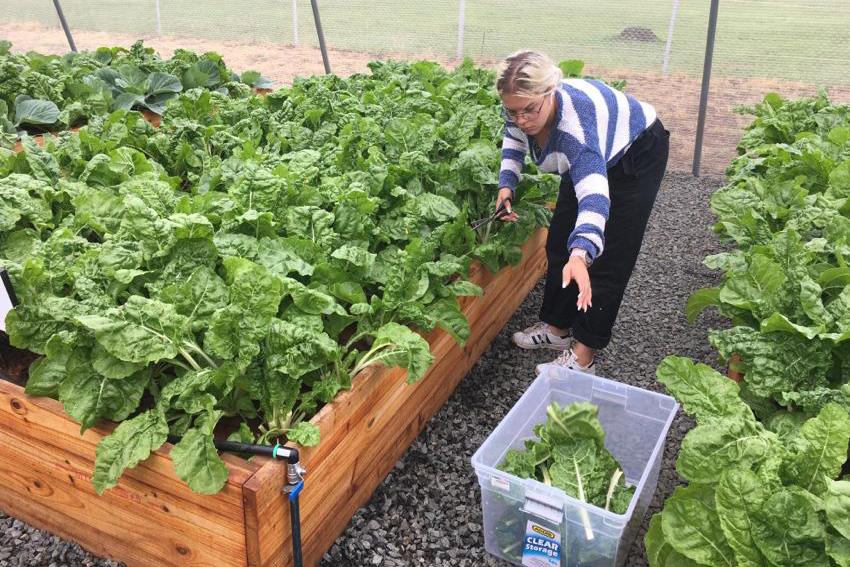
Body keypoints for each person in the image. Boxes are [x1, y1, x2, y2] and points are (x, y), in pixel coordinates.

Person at [493, 50, 669, 375]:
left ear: (550, 92)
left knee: (608, 260)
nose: (521, 119)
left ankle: (583, 354)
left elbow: (595, 197)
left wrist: (582, 252)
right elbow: (513, 139)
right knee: (559, 240)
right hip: (597, 150)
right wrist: (507, 185)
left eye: (529, 110)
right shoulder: (520, 106)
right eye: (513, 111)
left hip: (636, 151)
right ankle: (557, 330)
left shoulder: (575, 129)